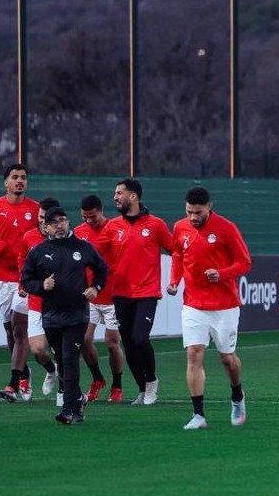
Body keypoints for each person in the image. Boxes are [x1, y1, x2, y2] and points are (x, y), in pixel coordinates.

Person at [167, 187, 253, 430]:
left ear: (209, 207)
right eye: (189, 212)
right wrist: (174, 281)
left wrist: (222, 274)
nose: (193, 217)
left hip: (224, 305)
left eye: (198, 212)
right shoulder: (180, 227)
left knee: (227, 358)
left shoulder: (227, 228)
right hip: (193, 304)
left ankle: (237, 395)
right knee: (194, 353)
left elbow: (245, 262)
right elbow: (178, 255)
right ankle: (198, 415)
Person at [20, 206, 108, 424]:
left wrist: (95, 287)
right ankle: (78, 400)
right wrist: (42, 286)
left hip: (77, 315)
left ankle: (67, 410)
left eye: (63, 221)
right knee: (61, 360)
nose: (59, 225)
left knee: (69, 358)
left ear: (68, 222)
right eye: (54, 222)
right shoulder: (38, 252)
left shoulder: (83, 247)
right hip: (51, 316)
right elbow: (26, 281)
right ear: (45, 227)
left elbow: (102, 269)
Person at [97, 178, 175, 405]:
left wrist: (176, 279)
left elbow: (175, 251)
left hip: (147, 293)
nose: (115, 197)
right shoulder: (112, 226)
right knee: (129, 344)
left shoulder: (156, 225)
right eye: (115, 193)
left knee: (140, 339)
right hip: (120, 293)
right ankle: (142, 389)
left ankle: (151, 381)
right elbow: (94, 253)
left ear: (133, 196)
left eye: (119, 193)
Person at [0, 163, 40, 404]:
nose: (20, 181)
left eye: (23, 177)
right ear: (6, 182)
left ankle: (14, 382)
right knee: (9, 331)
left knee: (19, 329)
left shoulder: (35, 209)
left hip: (26, 279)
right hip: (1, 277)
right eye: (15, 177)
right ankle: (24, 372)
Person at [10, 198, 64, 404]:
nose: (42, 221)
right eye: (40, 217)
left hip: (59, 303)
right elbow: (22, 260)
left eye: (46, 219)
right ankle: (51, 370)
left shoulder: (66, 240)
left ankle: (64, 392)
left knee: (62, 349)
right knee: (38, 349)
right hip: (36, 302)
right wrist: (24, 283)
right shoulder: (29, 237)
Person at [74, 194, 127, 402]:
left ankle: (117, 385)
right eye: (85, 217)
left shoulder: (115, 229)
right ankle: (97, 378)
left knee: (112, 343)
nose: (89, 221)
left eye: (92, 217)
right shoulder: (79, 232)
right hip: (90, 297)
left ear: (101, 210)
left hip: (113, 296)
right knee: (84, 340)